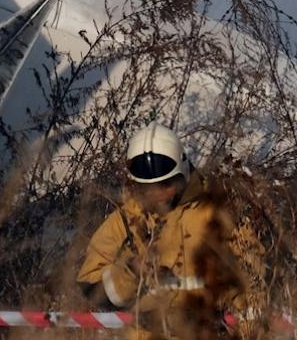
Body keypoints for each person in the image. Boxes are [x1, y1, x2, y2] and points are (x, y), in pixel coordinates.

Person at [77, 123, 243, 339]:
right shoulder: (124, 222)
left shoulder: (214, 215)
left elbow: (252, 283)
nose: (158, 195)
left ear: (183, 173)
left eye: (166, 185)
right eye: (148, 188)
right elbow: (92, 288)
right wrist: (130, 272)